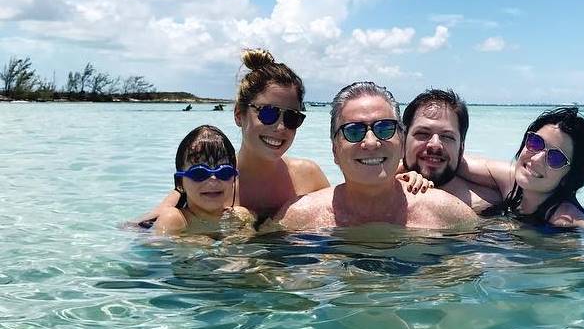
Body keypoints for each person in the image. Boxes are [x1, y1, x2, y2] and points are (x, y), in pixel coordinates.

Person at [140, 48, 330, 224]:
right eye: (268, 113)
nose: (280, 127)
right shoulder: (210, 181)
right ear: (239, 114)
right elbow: (143, 230)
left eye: (291, 117)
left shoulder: (309, 177)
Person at [275, 82, 478, 229]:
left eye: (385, 128)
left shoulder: (449, 215)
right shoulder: (297, 219)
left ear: (402, 144)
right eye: (353, 131)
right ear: (335, 150)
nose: (371, 142)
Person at [460, 107, 584, 229]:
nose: (535, 159)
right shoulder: (511, 178)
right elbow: (455, 162)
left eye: (555, 158)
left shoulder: (563, 217)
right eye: (535, 142)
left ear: (570, 176)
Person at [401, 88, 503, 213]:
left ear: (461, 148)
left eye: (447, 136)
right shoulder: (383, 186)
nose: (435, 144)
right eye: (423, 133)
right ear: (403, 140)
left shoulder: (488, 203)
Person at [153, 125, 254, 235]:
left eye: (224, 172)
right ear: (180, 183)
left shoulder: (239, 217)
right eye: (199, 173)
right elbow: (156, 243)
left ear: (234, 179)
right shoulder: (174, 219)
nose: (213, 179)